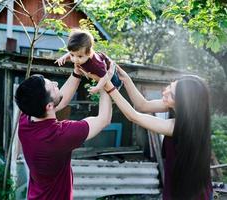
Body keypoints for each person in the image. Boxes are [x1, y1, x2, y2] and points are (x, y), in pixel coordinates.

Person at [103, 67, 212, 200]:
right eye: (170, 86)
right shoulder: (177, 107)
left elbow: (134, 116)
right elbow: (142, 105)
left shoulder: (180, 126)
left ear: (183, 102)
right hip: (178, 181)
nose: (165, 92)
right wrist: (126, 79)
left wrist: (108, 87)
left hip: (188, 192)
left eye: (171, 94)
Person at [14, 67, 112, 200]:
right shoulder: (58, 136)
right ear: (48, 106)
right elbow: (103, 119)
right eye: (52, 87)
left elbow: (60, 101)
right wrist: (105, 84)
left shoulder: (27, 118)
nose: (56, 84)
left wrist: (77, 72)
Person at [55, 29, 122, 94]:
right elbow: (72, 52)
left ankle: (118, 86)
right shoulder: (79, 53)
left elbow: (105, 76)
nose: (74, 59)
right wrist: (63, 58)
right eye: (72, 55)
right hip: (97, 72)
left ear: (89, 53)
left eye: (80, 56)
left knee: (109, 91)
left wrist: (97, 87)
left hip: (111, 76)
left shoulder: (96, 63)